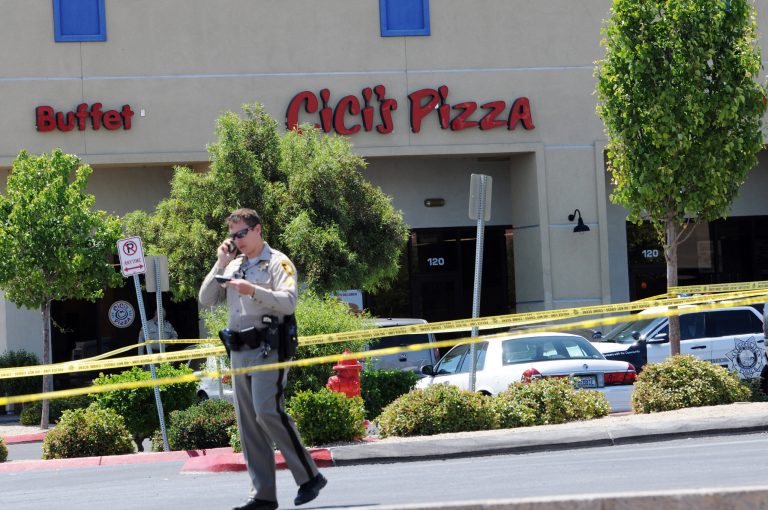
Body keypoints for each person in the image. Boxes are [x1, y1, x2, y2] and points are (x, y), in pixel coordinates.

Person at [199, 208, 326, 510]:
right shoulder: (234, 265)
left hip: (269, 348)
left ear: (258, 230)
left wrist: (253, 290)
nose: (238, 240)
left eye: (242, 233)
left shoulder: (277, 263)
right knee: (248, 423)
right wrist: (221, 262)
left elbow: (290, 301)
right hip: (239, 350)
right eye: (233, 235)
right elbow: (205, 299)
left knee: (267, 411)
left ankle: (309, 476)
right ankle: (264, 495)